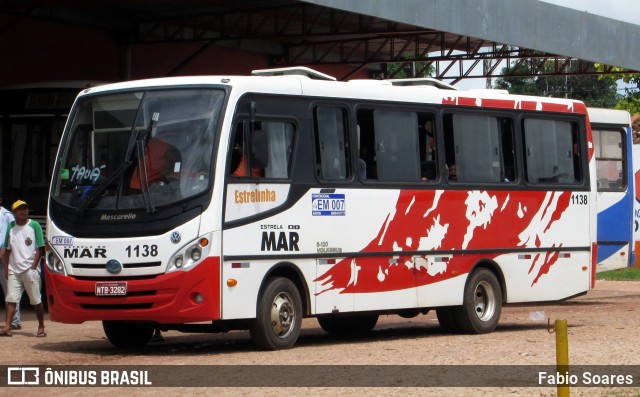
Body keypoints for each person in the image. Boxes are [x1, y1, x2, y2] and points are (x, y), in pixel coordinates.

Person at [0, 200, 46, 337]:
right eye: (19, 209)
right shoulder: (11, 227)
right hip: (14, 269)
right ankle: (8, 327)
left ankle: (41, 325)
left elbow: (40, 247)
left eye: (24, 208)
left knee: (35, 300)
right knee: (11, 298)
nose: (22, 211)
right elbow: (8, 249)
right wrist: (6, 268)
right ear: (14, 213)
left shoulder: (34, 225)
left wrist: (33, 267)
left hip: (29, 270)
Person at [0, 192, 20, 330]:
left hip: (3, 256)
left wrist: (3, 252)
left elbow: (12, 236)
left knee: (9, 289)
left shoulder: (7, 216)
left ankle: (14, 321)